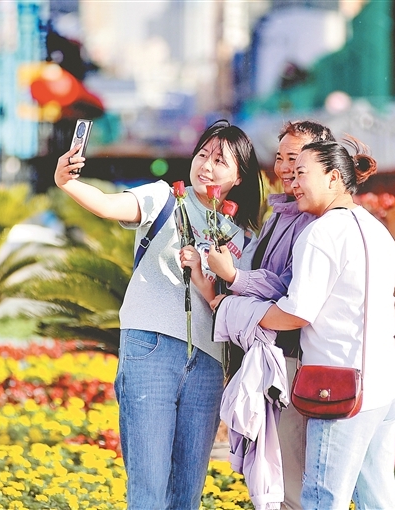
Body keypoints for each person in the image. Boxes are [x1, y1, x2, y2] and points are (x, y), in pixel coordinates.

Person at [54, 119, 262, 510]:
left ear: (239, 177)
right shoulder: (164, 197)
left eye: (220, 160)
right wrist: (67, 182)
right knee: (148, 488)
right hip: (150, 349)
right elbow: (109, 205)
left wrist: (209, 279)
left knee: (187, 492)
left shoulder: (243, 239)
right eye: (202, 154)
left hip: (207, 363)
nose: (206, 165)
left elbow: (237, 307)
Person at [256, 138, 395, 509]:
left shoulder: (321, 232)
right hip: (387, 383)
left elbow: (297, 312)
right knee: (377, 501)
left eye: (302, 173)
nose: (294, 183)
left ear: (334, 178)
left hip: (342, 389)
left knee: (323, 499)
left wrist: (239, 311)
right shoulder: (376, 229)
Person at [204, 120, 335, 510]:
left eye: (295, 159)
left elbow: (290, 291)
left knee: (287, 479)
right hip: (269, 355)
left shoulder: (315, 221)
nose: (285, 168)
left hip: (292, 361)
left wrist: (235, 279)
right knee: (271, 478)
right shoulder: (278, 214)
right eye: (280, 158)